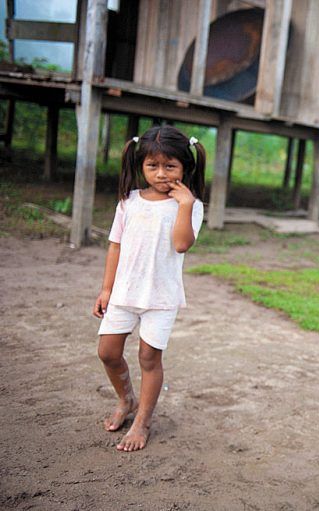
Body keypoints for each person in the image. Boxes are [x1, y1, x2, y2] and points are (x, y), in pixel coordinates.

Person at [93, 125, 206, 452]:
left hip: (161, 297)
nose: (161, 174)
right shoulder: (128, 202)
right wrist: (105, 289)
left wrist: (184, 205)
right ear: (141, 165)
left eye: (170, 166)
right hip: (124, 292)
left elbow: (182, 245)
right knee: (107, 351)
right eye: (152, 166)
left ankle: (143, 420)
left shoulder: (191, 206)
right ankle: (125, 400)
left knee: (148, 357)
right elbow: (115, 246)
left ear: (185, 167)